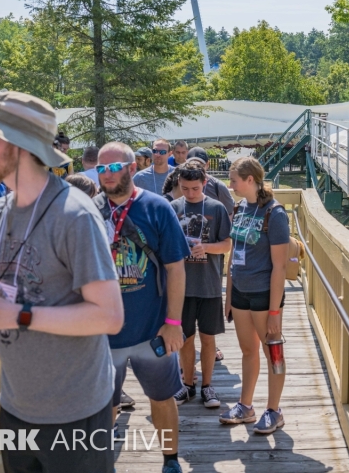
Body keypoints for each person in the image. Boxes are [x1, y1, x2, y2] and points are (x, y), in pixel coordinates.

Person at [0, 91, 123, 473]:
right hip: (15, 407)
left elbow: (109, 316)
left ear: (17, 144)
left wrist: (17, 315)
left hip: (76, 413)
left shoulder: (75, 215)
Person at [94, 142, 189, 473]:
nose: (107, 174)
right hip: (104, 333)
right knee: (103, 404)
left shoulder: (157, 207)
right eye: (101, 169)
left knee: (161, 398)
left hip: (152, 329)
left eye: (114, 167)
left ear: (132, 168)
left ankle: (170, 460)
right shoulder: (89, 211)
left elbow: (176, 268)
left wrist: (173, 323)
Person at [219, 157, 289, 434]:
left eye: (234, 180)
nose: (231, 185)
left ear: (250, 180)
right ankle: (245, 406)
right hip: (240, 293)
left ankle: (274, 410)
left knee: (273, 354)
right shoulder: (240, 208)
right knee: (248, 351)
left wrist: (274, 311)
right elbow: (234, 256)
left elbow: (280, 267)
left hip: (263, 295)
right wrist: (228, 296)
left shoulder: (275, 213)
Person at [169, 160, 231, 408]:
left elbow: (227, 244)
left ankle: (207, 386)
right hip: (180, 288)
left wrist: (205, 247)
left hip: (209, 285)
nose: (190, 193)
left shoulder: (216, 208)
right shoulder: (173, 208)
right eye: (185, 188)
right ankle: (187, 385)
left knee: (208, 338)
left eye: (195, 188)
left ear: (205, 183)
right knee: (185, 339)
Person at [186, 147, 234, 213]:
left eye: (200, 165)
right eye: (192, 165)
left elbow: (230, 212)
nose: (196, 168)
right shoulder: (179, 185)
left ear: (207, 164)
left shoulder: (218, 186)